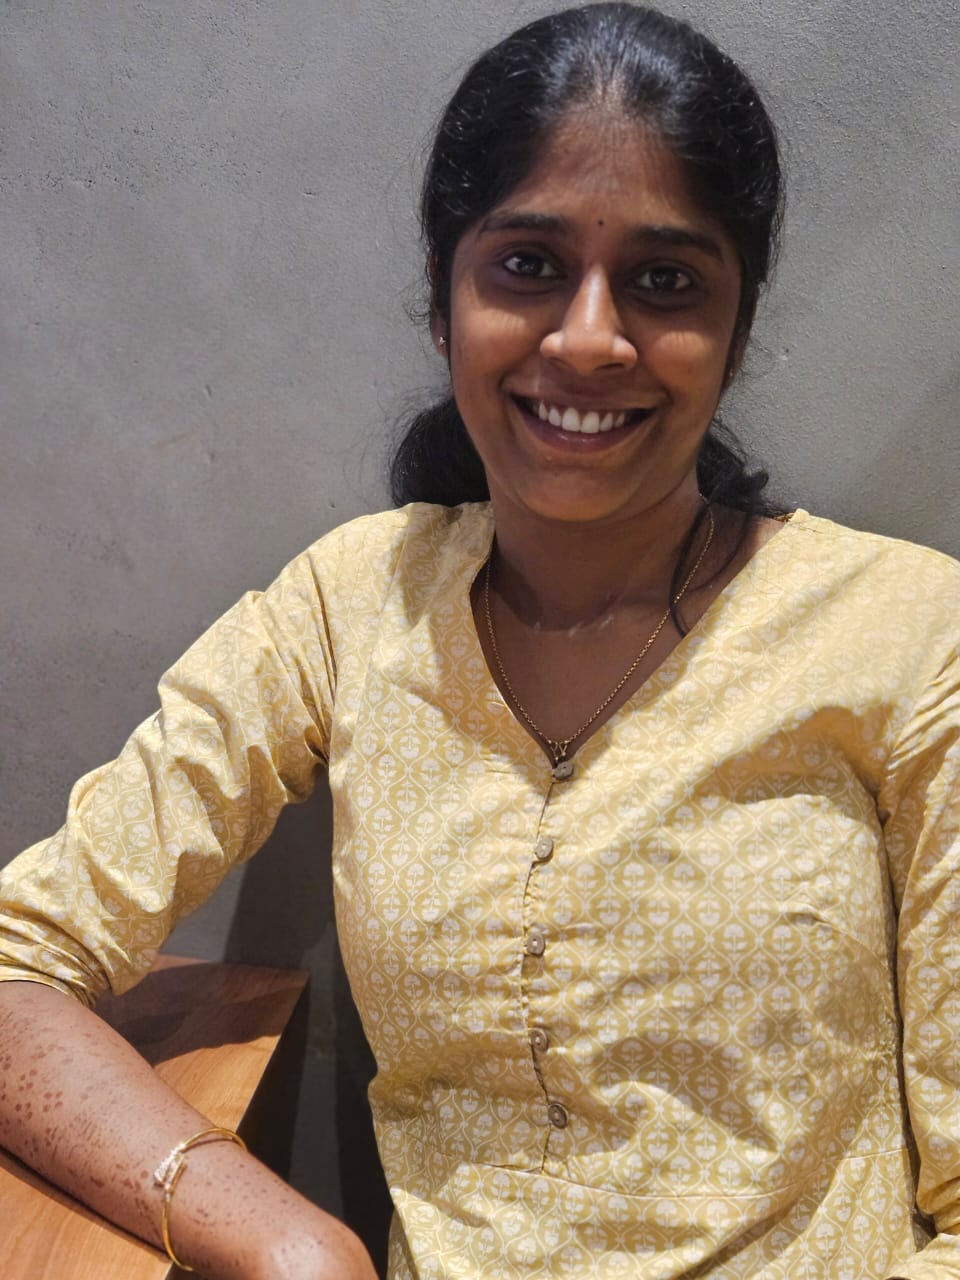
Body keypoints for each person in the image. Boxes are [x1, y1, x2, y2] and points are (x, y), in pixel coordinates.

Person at [1, 3, 958, 1278]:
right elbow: (17, 960)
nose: (589, 337)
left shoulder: (907, 634)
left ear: (736, 330)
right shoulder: (350, 606)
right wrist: (289, 1239)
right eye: (528, 264)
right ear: (443, 298)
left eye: (665, 281)